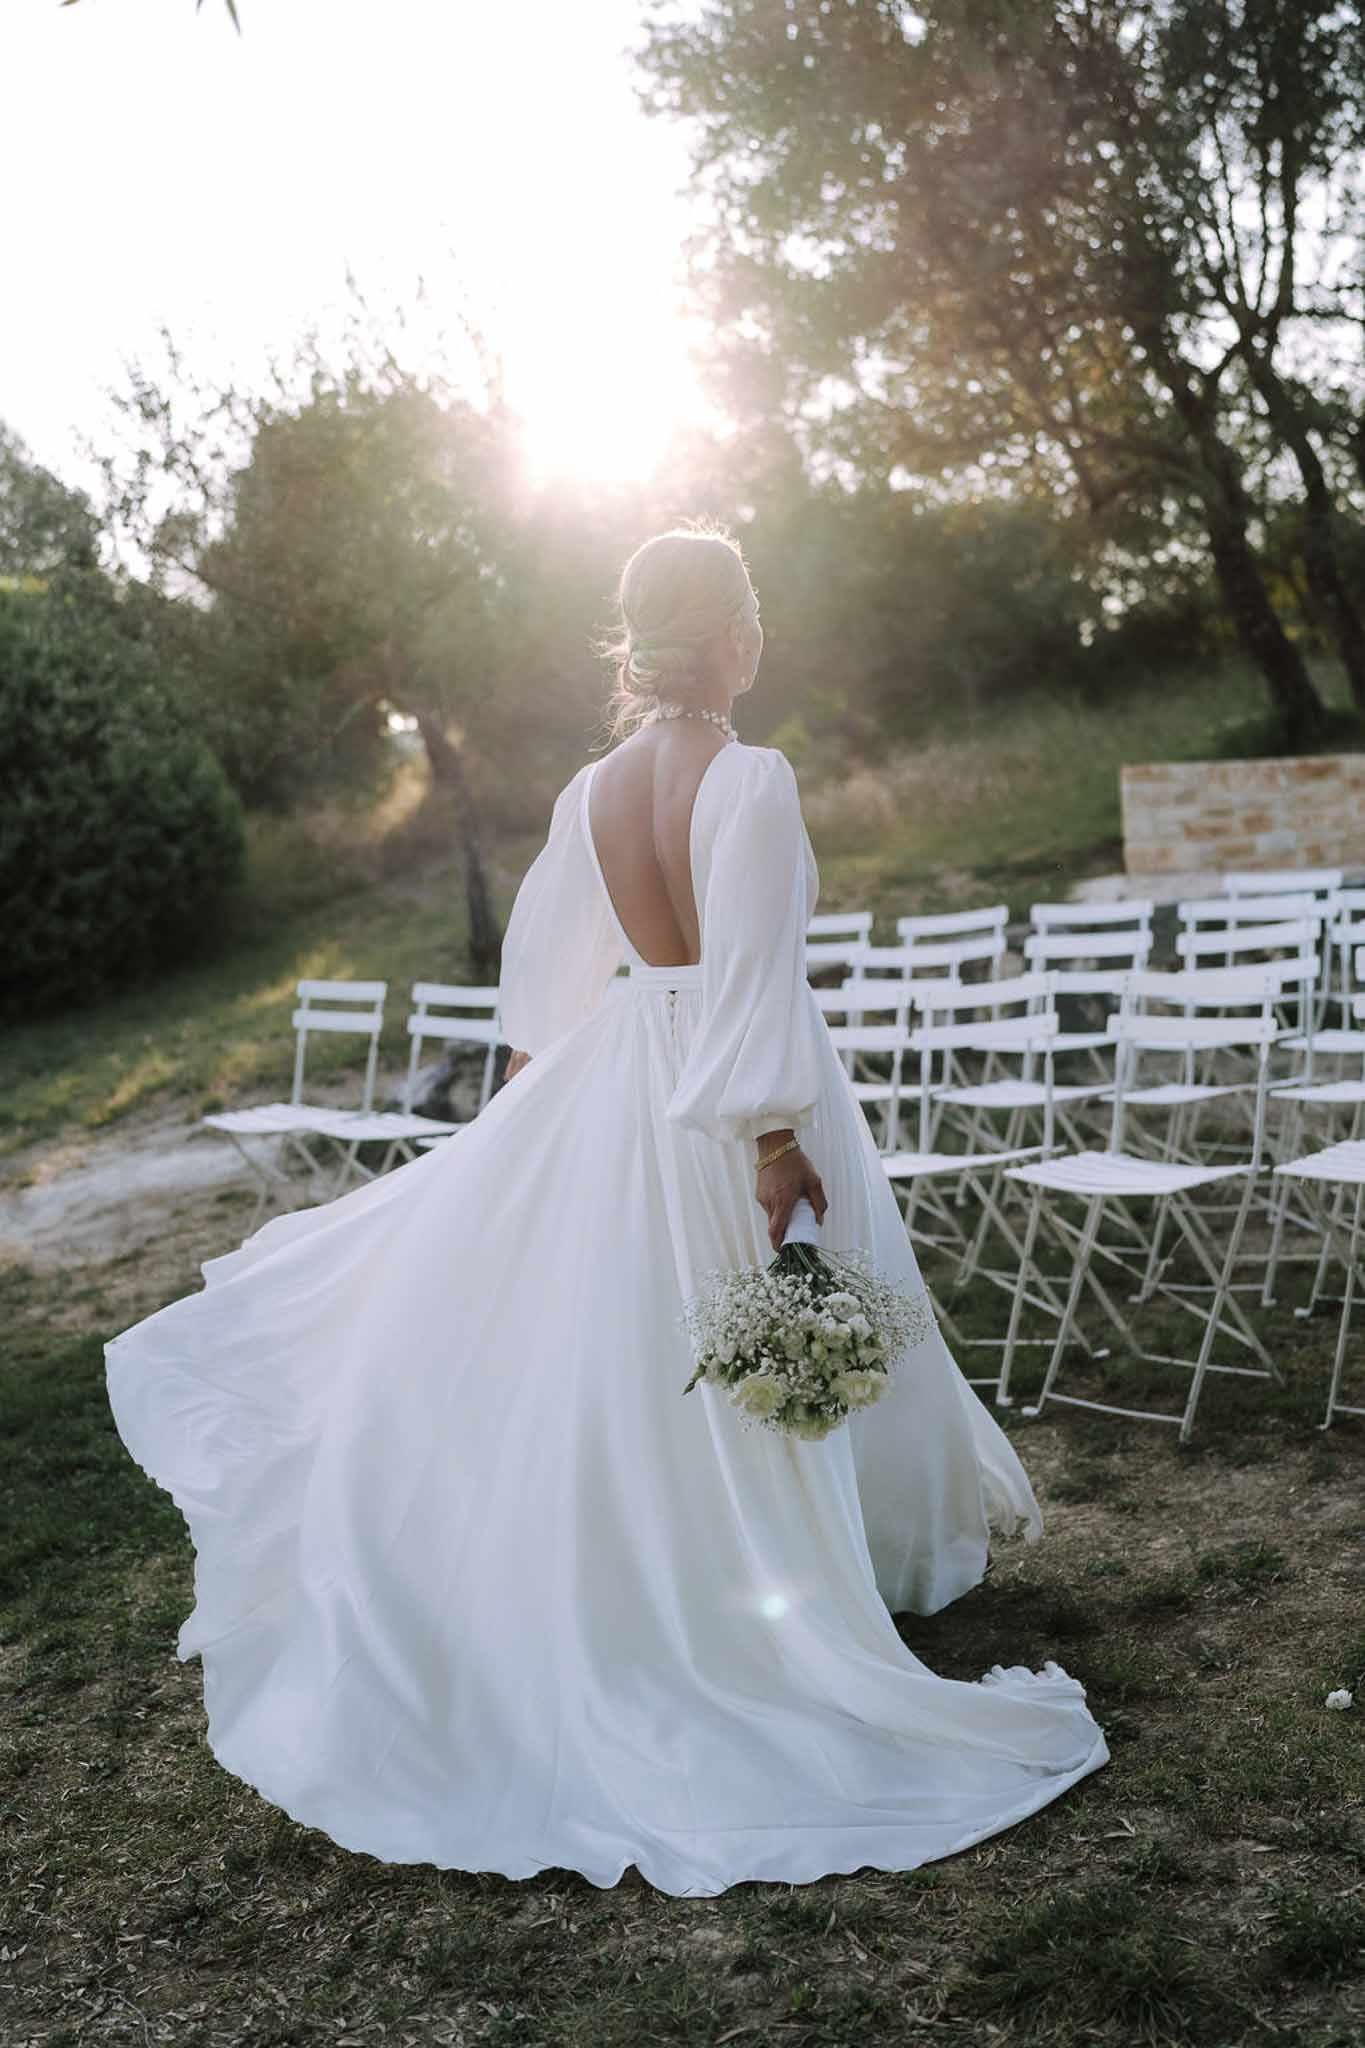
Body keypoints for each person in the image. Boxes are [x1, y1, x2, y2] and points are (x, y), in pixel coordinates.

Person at [105, 526, 1106, 1898]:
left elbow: (551, 983)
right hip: (740, 1089)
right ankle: (791, 1587)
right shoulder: (750, 777)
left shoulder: (591, 791)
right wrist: (772, 1141)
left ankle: (713, 1565)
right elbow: (750, 973)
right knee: (779, 1309)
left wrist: (532, 1126)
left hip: (629, 1074)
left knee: (665, 1340)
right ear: (738, 636)